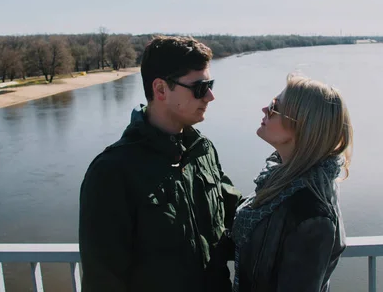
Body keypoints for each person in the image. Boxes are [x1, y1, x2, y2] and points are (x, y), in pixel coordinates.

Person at [79, 35, 241, 292]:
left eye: (211, 85)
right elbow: (103, 279)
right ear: (161, 89)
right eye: (200, 87)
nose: (210, 96)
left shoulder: (203, 151)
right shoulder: (112, 172)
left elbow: (238, 219)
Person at [231, 74, 353, 292]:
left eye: (274, 107)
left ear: (302, 125)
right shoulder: (281, 180)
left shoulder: (311, 213)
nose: (264, 110)